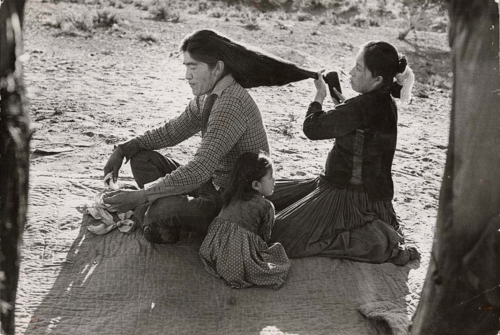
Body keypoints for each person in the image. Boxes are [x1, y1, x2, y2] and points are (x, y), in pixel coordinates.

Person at [102, 29, 271, 244]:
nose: (187, 76)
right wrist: (124, 148)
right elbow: (172, 131)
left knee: (159, 213)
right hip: (210, 183)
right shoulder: (209, 95)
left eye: (193, 67)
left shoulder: (231, 103)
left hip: (230, 199)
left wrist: (142, 195)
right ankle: (161, 209)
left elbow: (200, 168)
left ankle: (159, 214)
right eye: (186, 67)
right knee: (141, 157)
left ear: (217, 68)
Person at [269, 41, 419, 265]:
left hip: (349, 197)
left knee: (277, 234)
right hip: (358, 191)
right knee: (270, 196)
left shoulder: (361, 107)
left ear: (377, 80)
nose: (350, 73)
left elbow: (312, 128)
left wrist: (319, 96)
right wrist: (343, 106)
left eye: (358, 68)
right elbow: (364, 129)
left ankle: (377, 239)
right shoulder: (383, 101)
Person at [199, 152, 290, 290]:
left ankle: (226, 264)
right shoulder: (266, 206)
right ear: (255, 184)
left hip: (213, 251)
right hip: (237, 259)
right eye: (271, 176)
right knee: (278, 258)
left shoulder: (231, 195)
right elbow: (265, 235)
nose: (275, 180)